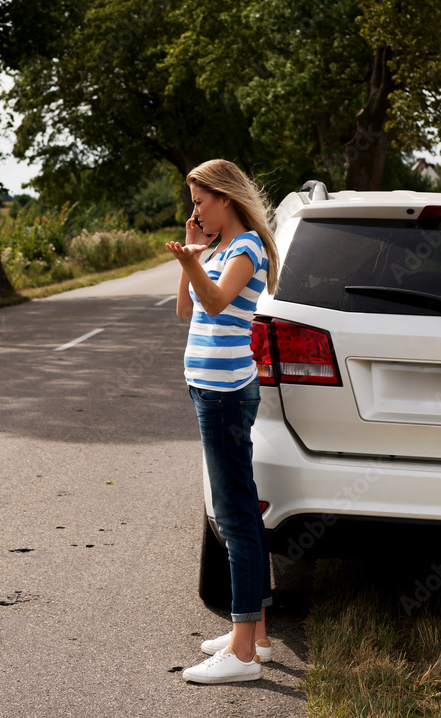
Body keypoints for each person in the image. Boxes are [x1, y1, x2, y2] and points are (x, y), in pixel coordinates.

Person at [165, 158, 279, 685]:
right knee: (241, 508)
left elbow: (213, 303)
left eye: (200, 201)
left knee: (234, 516)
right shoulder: (222, 250)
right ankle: (253, 635)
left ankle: (242, 655)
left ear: (225, 199)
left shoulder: (248, 248)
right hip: (211, 389)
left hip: (226, 393)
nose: (196, 211)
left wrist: (194, 264)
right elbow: (187, 312)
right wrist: (194, 254)